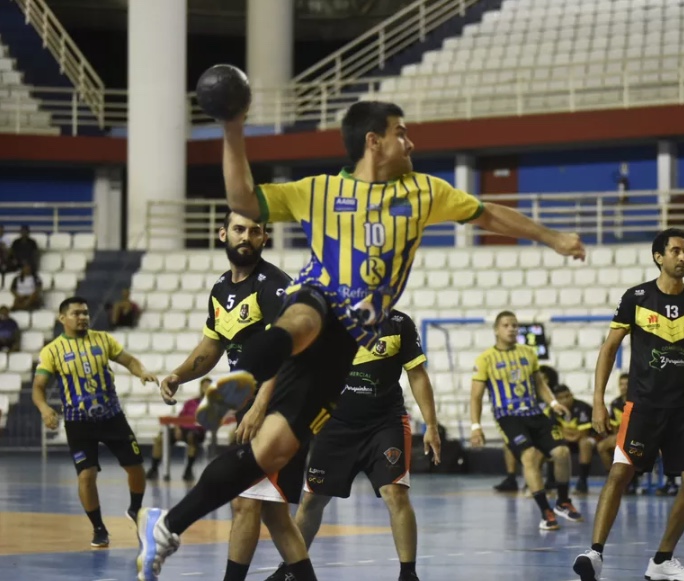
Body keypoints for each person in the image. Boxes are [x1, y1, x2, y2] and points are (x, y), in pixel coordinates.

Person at [136, 99, 586, 581]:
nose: (410, 142)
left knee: (267, 455)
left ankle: (166, 525)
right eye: (401, 133)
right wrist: (231, 127)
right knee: (303, 319)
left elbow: (487, 214)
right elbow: (244, 198)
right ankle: (247, 374)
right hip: (316, 297)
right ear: (374, 142)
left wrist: (551, 237)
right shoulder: (319, 190)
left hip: (347, 344)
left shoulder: (424, 192)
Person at [151, 211, 306, 581]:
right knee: (275, 516)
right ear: (223, 234)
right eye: (239, 229)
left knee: (244, 502)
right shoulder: (221, 288)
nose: (246, 237)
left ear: (264, 238)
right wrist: (179, 374)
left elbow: (288, 350)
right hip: (252, 407)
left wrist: (261, 405)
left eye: (254, 231)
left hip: (278, 408)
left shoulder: (274, 286)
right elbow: (212, 346)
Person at [573, 228, 684, 581]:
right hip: (643, 406)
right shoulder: (636, 297)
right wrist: (597, 401)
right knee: (620, 472)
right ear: (658, 257)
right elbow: (609, 349)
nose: (683, 257)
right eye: (676, 251)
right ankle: (595, 554)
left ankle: (662, 560)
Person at [270, 309, 441, 581]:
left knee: (395, 492)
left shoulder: (399, 323)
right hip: (334, 425)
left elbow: (417, 374)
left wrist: (431, 425)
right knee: (313, 499)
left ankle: (408, 574)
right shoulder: (330, 320)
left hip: (385, 424)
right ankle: (289, 569)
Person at [30, 296, 158, 548]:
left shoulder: (103, 339)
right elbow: (38, 387)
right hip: (78, 423)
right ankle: (98, 528)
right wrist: (45, 409)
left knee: (135, 467)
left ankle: (135, 509)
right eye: (76, 313)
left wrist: (141, 372)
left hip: (112, 417)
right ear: (62, 318)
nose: (83, 317)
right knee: (86, 476)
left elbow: (129, 361)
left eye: (85, 313)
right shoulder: (52, 351)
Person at [471, 311, 582, 531]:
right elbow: (475, 396)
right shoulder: (485, 359)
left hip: (534, 413)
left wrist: (553, 403)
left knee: (562, 453)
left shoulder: (528, 353)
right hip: (508, 416)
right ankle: (546, 512)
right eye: (506, 325)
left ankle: (562, 501)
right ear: (496, 330)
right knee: (529, 456)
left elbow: (539, 383)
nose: (511, 329)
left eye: (515, 325)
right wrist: (476, 426)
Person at [540, 365, 597, 495]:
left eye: (567, 396)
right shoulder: (552, 410)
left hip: (588, 440)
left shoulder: (582, 407)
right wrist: (567, 433)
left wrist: (565, 433)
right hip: (565, 441)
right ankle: (550, 481)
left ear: (571, 395)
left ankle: (582, 482)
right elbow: (552, 431)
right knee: (550, 444)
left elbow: (582, 434)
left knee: (585, 443)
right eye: (561, 398)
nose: (565, 400)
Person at [146, 378, 210, 482]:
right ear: (201, 388)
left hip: (197, 431)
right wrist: (177, 428)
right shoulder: (190, 402)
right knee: (161, 438)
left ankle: (188, 470)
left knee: (192, 437)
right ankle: (154, 468)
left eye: (208, 387)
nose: (206, 389)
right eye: (204, 386)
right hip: (182, 428)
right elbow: (180, 417)